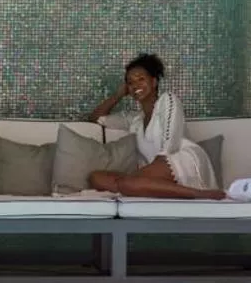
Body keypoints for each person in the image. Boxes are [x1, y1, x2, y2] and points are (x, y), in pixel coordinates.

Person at [85, 53, 225, 199]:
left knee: (128, 183)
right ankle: (145, 187)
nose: (135, 85)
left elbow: (170, 145)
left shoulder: (168, 100)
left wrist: (137, 178)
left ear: (153, 82)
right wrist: (118, 95)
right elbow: (95, 119)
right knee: (96, 177)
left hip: (180, 160)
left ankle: (199, 194)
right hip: (156, 172)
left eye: (141, 79)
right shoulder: (134, 119)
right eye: (130, 82)